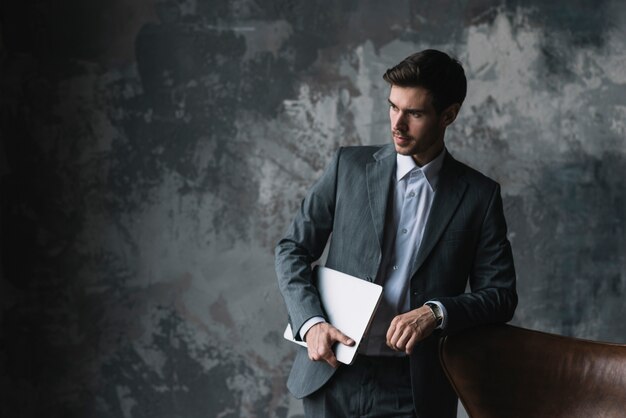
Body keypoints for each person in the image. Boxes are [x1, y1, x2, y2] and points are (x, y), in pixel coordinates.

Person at [275, 49, 517, 418]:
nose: (397, 125)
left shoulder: (479, 196)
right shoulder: (347, 167)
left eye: (414, 113)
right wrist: (311, 324)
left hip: (414, 388)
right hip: (332, 375)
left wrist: (436, 313)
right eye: (393, 107)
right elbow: (291, 249)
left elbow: (500, 295)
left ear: (448, 115)